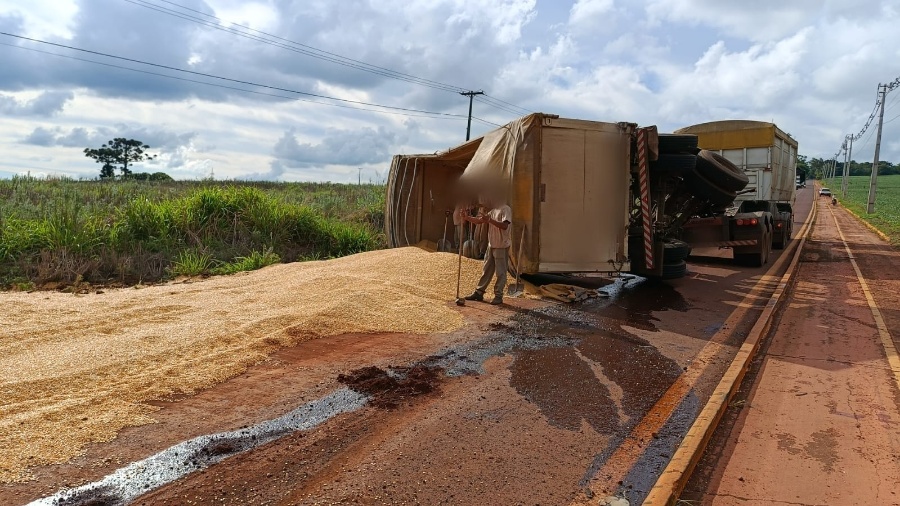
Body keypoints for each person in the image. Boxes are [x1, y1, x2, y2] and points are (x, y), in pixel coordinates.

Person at [460, 196, 512, 305]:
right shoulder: (493, 210)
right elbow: (480, 221)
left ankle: (498, 295)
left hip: (501, 245)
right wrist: (467, 217)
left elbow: (505, 226)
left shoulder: (505, 209)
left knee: (500, 272)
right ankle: (479, 292)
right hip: (491, 244)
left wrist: (490, 220)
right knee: (486, 269)